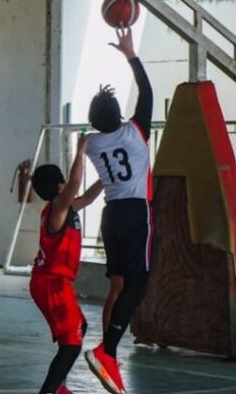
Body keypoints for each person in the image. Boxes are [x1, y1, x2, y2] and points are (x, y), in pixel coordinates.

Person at [82, 27, 153, 394]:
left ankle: (107, 349)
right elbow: (148, 93)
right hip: (136, 213)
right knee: (138, 283)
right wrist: (130, 55)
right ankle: (107, 350)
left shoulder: (91, 144)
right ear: (120, 115)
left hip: (110, 216)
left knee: (120, 285)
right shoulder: (135, 132)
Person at [18, 139, 103, 394]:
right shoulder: (57, 209)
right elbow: (76, 186)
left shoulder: (65, 208)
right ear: (59, 186)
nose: (70, 185)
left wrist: (108, 178)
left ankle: (58, 386)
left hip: (51, 281)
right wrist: (80, 152)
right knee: (71, 345)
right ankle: (51, 391)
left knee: (80, 327)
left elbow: (87, 196)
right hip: (52, 282)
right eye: (65, 182)